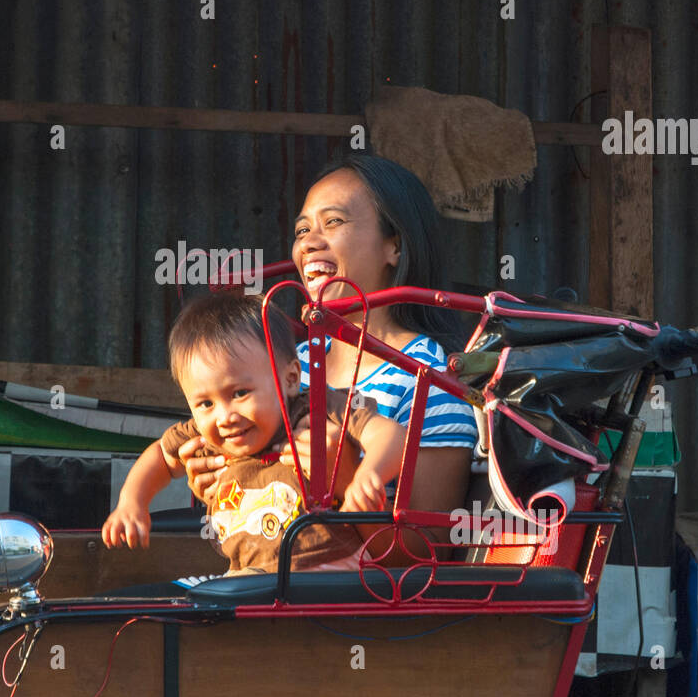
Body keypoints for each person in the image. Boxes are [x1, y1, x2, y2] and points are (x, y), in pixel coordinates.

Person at [179, 153, 478, 535]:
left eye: (333, 222)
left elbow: (425, 551)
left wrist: (348, 478)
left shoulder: (432, 380)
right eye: (302, 231)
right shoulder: (286, 363)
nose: (308, 244)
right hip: (264, 577)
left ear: (395, 248)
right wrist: (223, 479)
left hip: (346, 593)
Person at [100, 291, 410, 574]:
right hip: (251, 575)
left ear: (290, 379)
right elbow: (160, 456)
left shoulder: (316, 408)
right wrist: (132, 502)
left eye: (239, 393)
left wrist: (366, 475)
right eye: (205, 403)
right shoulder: (206, 438)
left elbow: (391, 435)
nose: (225, 416)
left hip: (333, 568)